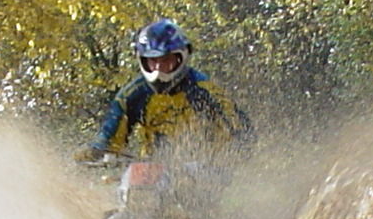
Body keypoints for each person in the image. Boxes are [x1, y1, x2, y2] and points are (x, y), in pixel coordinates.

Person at [75, 18, 251, 162]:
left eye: (166, 59)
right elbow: (110, 136)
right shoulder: (133, 95)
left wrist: (222, 163)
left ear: (181, 56)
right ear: (142, 59)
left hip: (203, 173)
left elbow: (241, 133)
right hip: (150, 171)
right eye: (152, 60)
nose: (159, 67)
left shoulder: (205, 90)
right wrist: (95, 151)